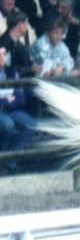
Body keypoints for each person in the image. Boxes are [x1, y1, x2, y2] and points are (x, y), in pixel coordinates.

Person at [0, 41, 37, 171]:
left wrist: (6, 101)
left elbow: (21, 98)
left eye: (4, 54)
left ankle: (9, 159)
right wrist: (7, 100)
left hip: (12, 110)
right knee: (7, 125)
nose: (1, 57)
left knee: (32, 124)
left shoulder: (12, 72)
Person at [0, 10, 42, 77]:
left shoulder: (20, 46)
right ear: (20, 24)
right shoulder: (3, 44)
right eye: (26, 23)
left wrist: (34, 67)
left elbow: (28, 63)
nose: (27, 27)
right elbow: (8, 67)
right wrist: (30, 69)